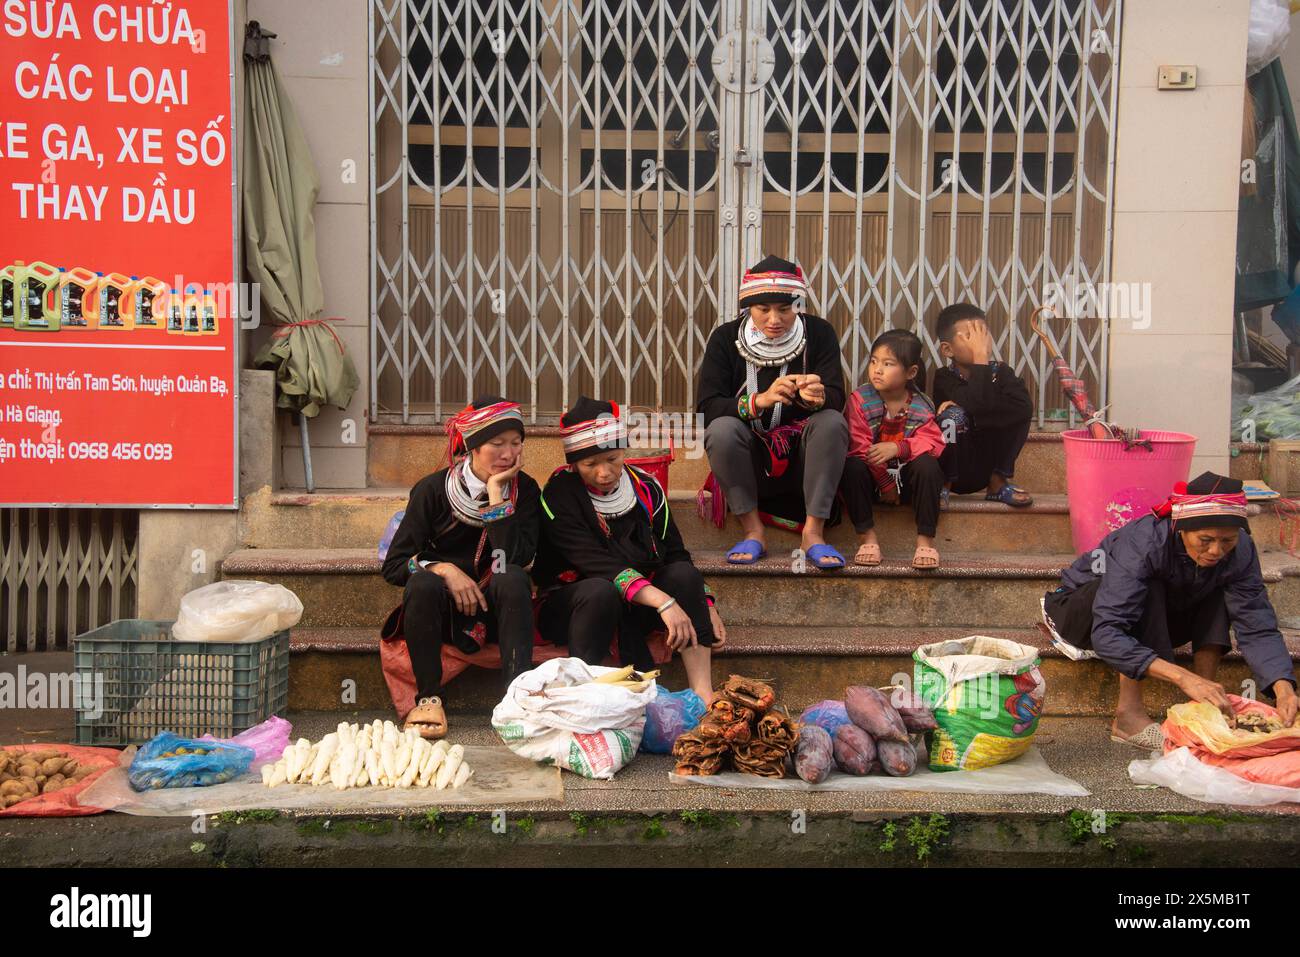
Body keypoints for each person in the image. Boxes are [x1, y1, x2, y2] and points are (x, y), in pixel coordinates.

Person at [1041, 473, 1298, 748]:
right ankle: (1128, 715)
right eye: (1206, 539)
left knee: (1220, 582)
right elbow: (1108, 632)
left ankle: (1203, 708)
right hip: (1083, 615)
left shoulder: (1240, 549)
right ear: (1181, 528)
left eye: (1227, 541)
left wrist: (1283, 688)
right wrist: (1184, 678)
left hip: (1164, 614)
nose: (1216, 549)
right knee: (1148, 586)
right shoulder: (1144, 541)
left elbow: (1256, 622)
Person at [533, 397, 726, 703]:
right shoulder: (559, 495)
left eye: (612, 458)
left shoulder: (647, 488)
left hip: (639, 603)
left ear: (623, 450)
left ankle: (702, 690)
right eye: (590, 464)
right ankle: (584, 697)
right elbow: (597, 564)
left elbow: (675, 552)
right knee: (599, 590)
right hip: (576, 605)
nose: (604, 472)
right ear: (573, 464)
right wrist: (664, 603)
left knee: (682, 574)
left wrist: (705, 604)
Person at [380, 396, 539, 738]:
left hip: (499, 611)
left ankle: (516, 698)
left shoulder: (524, 490)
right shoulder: (432, 491)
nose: (508, 454)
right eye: (497, 444)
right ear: (472, 447)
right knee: (421, 584)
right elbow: (394, 565)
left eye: (516, 443)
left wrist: (497, 496)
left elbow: (517, 556)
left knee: (509, 576)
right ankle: (428, 698)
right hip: (446, 615)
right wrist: (444, 570)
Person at [696, 254, 850, 569]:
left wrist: (816, 398)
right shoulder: (726, 339)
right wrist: (759, 401)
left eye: (785, 309)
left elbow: (836, 397)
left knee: (831, 422)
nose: (774, 320)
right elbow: (707, 408)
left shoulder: (818, 334)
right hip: (750, 461)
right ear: (748, 308)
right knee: (721, 430)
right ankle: (753, 530)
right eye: (762, 309)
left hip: (806, 462)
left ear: (798, 306)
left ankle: (813, 533)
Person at [839, 329, 947, 569]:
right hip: (871, 481)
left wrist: (898, 448)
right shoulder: (860, 399)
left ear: (911, 372)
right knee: (851, 466)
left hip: (908, 484)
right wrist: (885, 485)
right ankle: (867, 538)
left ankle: (925, 542)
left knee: (929, 465)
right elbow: (858, 446)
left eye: (888, 364)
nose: (877, 370)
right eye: (874, 361)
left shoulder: (921, 405)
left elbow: (934, 443)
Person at [931, 303, 1034, 507]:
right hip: (956, 465)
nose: (981, 344)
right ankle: (943, 485)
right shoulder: (944, 378)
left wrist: (973, 410)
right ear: (947, 349)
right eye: (971, 337)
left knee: (1020, 406)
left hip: (987, 467)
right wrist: (975, 408)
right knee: (953, 417)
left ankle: (997, 483)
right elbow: (978, 404)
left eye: (983, 335)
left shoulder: (1002, 373)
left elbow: (1022, 409)